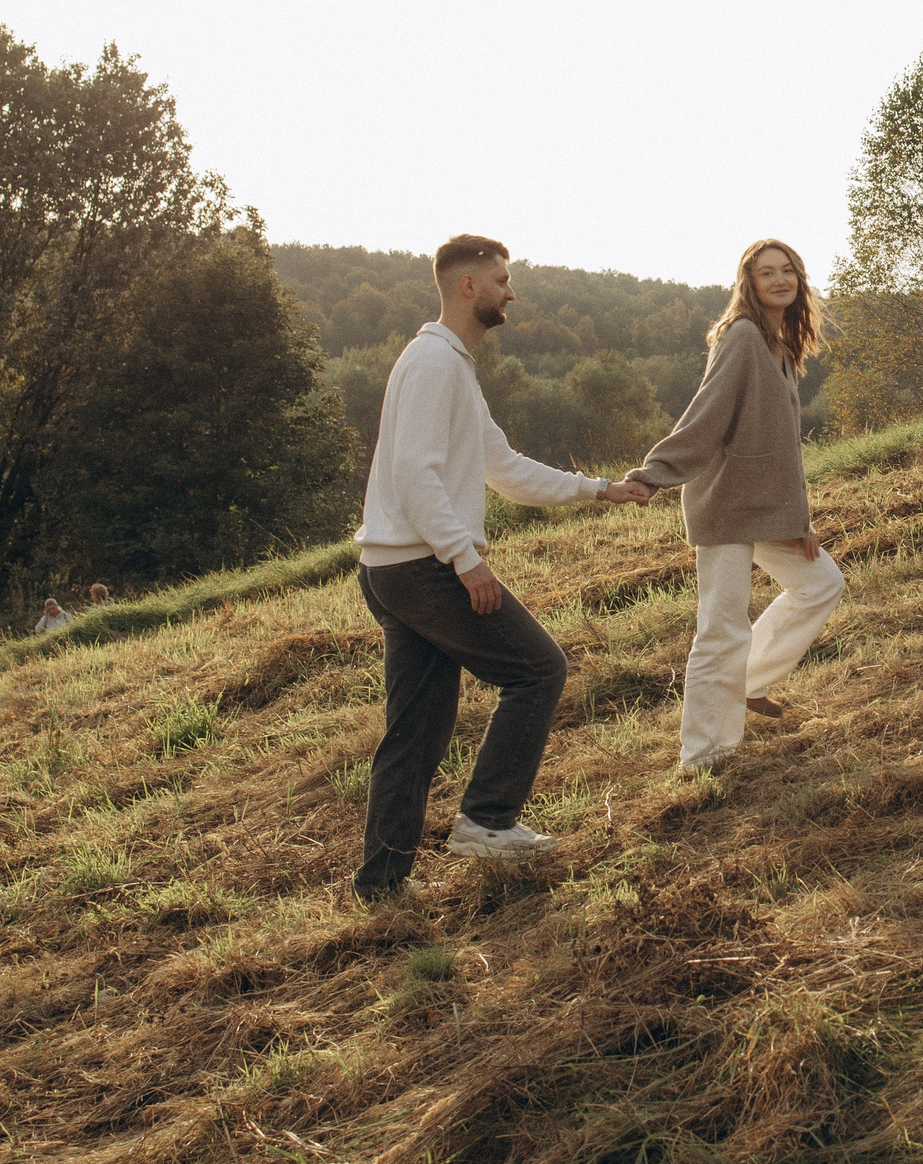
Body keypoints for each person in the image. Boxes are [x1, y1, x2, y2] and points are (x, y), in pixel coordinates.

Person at [352, 234, 651, 902]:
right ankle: (486, 819)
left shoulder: (448, 363)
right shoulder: (434, 361)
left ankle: (382, 886)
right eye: (503, 279)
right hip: (422, 566)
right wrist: (465, 560)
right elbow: (414, 474)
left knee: (417, 733)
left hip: (391, 567)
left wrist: (600, 488)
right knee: (539, 668)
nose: (511, 291)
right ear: (469, 285)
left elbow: (506, 470)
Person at [625, 239, 843, 772]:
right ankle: (704, 755)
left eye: (787, 270)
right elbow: (707, 414)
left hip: (767, 507)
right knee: (722, 629)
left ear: (799, 279)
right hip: (725, 504)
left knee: (821, 584)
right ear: (748, 283)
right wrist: (655, 474)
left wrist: (799, 521)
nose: (779, 280)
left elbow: (783, 448)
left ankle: (746, 683)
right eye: (766, 272)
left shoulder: (782, 345)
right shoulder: (742, 336)